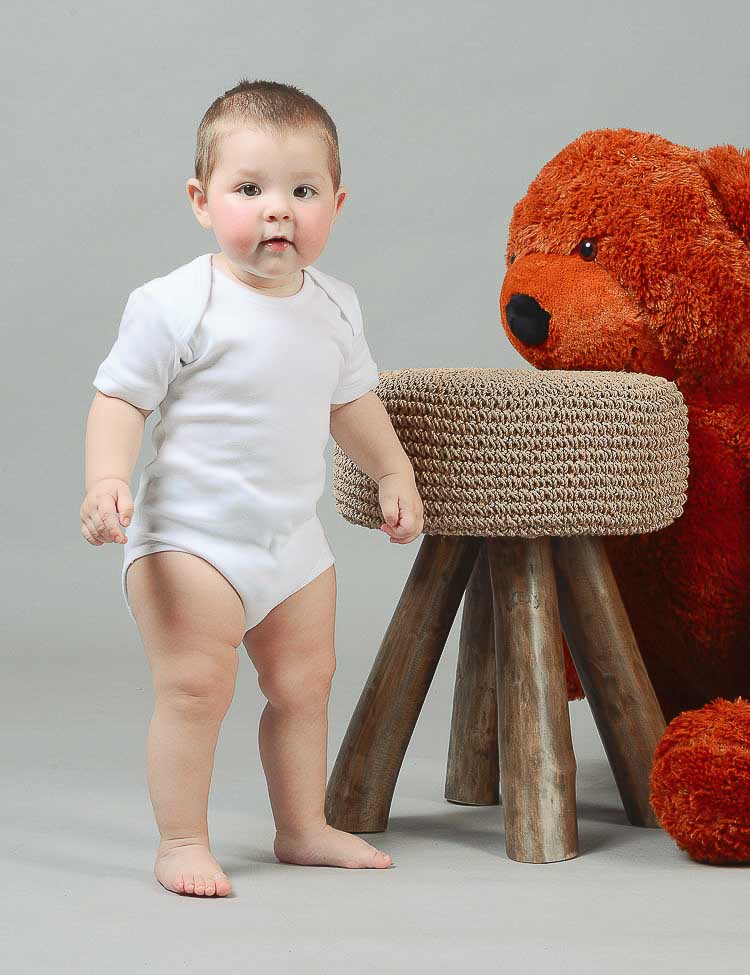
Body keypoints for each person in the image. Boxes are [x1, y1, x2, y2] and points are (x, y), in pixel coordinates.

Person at [80, 79, 424, 898]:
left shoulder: (334, 305)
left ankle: (302, 826)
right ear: (201, 201)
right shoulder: (177, 303)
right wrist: (106, 479)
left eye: (303, 191)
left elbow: (352, 403)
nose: (278, 210)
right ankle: (182, 839)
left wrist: (392, 469)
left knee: (304, 686)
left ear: (336, 203)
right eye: (249, 189)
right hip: (189, 542)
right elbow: (121, 398)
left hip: (292, 545)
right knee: (196, 687)